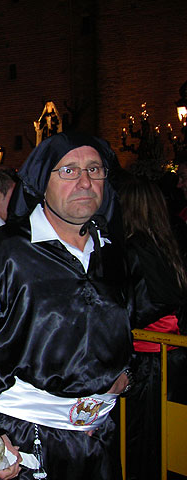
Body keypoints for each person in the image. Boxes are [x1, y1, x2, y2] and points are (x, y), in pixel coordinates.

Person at [0, 132, 135, 480]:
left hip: (97, 443)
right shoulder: (6, 253)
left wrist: (126, 377)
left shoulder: (114, 254)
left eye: (95, 170)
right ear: (42, 183)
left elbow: (127, 336)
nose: (85, 182)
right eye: (69, 171)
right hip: (26, 444)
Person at [119, 176, 187, 480]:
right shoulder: (169, 241)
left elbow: (144, 305)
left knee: (143, 440)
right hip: (171, 357)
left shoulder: (136, 248)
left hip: (151, 361)